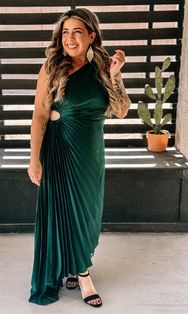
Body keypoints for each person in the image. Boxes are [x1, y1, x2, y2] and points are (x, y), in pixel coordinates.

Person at [27, 8, 131, 307]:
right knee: (64, 211)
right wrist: (34, 159)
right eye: (65, 32)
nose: (69, 38)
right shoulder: (52, 67)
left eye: (77, 32)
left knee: (86, 213)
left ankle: (74, 264)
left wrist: (115, 75)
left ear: (91, 36)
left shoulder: (101, 68)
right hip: (59, 148)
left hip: (90, 153)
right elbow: (39, 115)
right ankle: (83, 275)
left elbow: (122, 110)